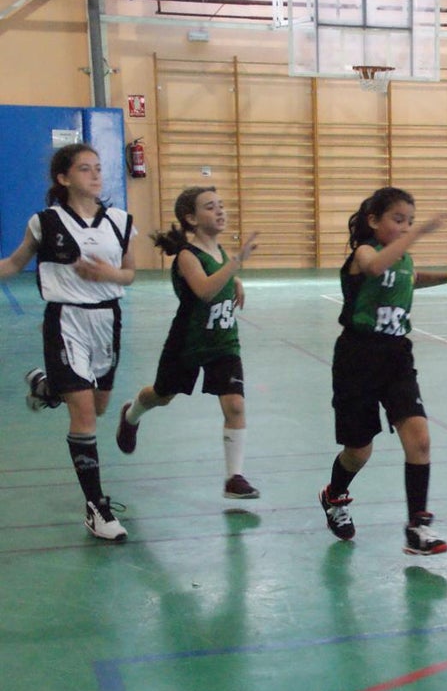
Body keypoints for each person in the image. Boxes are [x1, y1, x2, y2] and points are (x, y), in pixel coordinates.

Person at [318, 187, 447, 552]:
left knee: (420, 439)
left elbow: (411, 276)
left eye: (409, 220)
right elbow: (377, 268)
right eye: (398, 220)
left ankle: (417, 527)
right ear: (373, 221)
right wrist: (418, 232)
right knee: (359, 451)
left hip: (396, 356)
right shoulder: (365, 253)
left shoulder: (404, 259)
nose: (405, 227)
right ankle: (334, 495)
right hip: (357, 357)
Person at [0, 143, 136, 541]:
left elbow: (130, 274)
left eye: (98, 168)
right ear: (63, 178)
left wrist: (109, 274)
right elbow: (13, 263)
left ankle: (46, 386)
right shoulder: (46, 221)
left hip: (108, 319)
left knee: (99, 404)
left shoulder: (120, 220)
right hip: (66, 320)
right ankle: (97, 508)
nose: (95, 174)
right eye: (84, 168)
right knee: (84, 415)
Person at [114, 187, 261, 499]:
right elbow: (205, 289)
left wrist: (233, 276)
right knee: (162, 395)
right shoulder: (186, 256)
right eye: (210, 207)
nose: (220, 211)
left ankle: (234, 477)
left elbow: (218, 275)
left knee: (235, 404)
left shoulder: (218, 253)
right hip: (188, 343)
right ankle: (131, 414)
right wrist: (236, 266)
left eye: (221, 205)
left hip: (223, 342)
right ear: (191, 219)